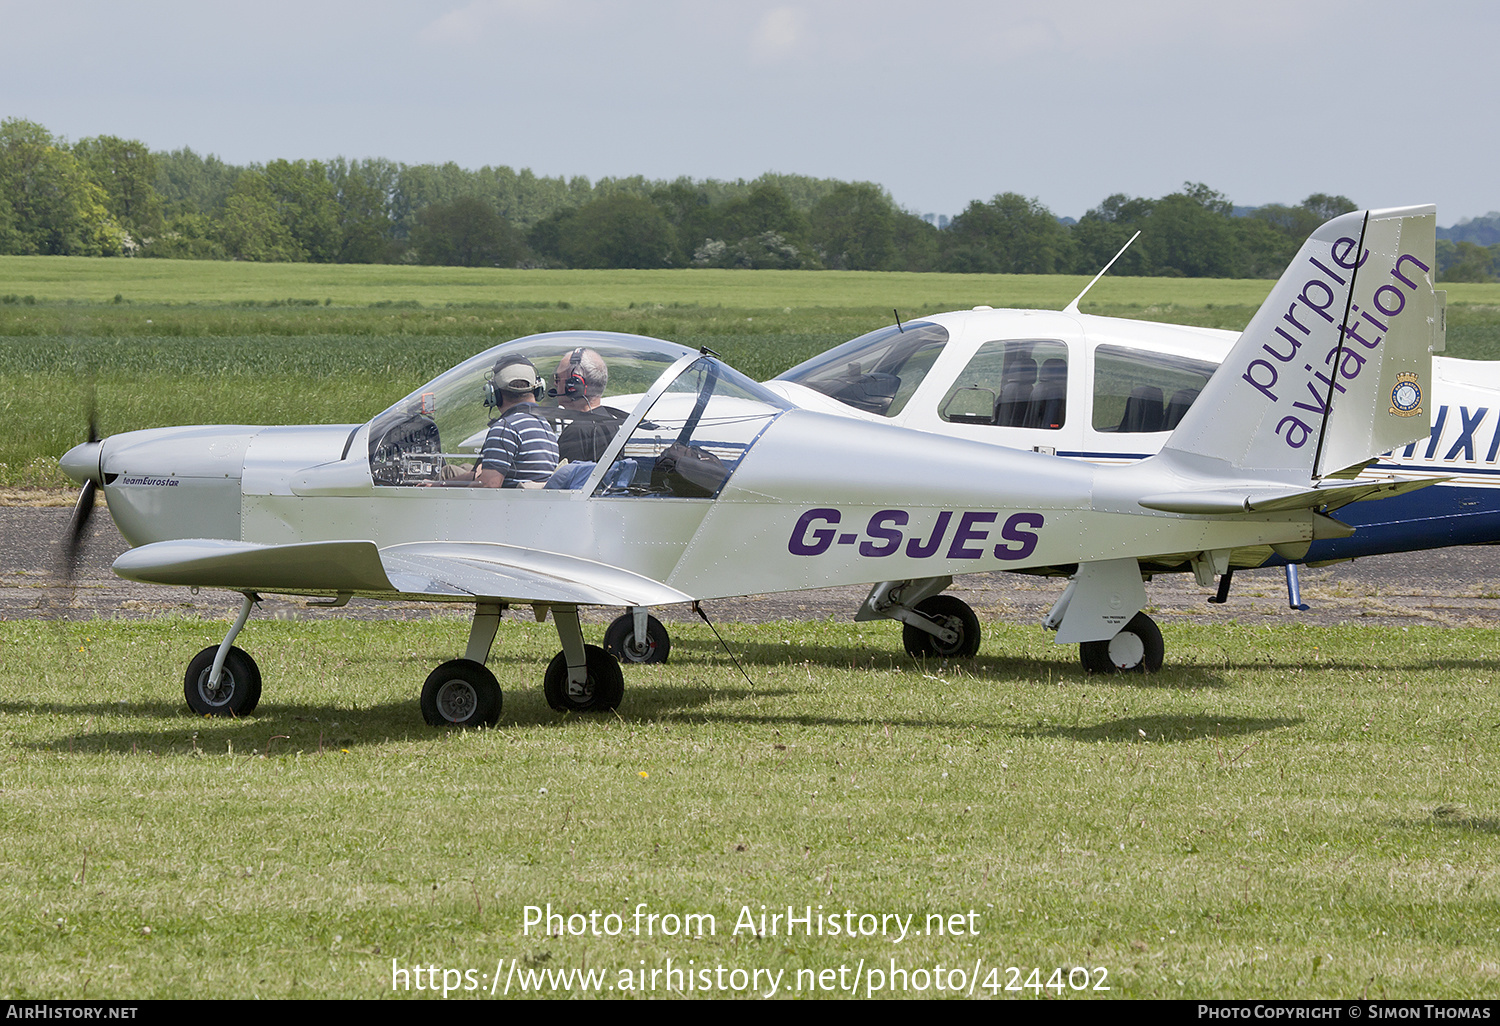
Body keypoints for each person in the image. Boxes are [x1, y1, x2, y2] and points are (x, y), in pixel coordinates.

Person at [468, 357, 559, 488]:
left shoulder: (506, 428)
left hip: (508, 507)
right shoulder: (545, 427)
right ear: (538, 391)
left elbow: (488, 486)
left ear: (493, 394)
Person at [550, 347, 630, 463]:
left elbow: (563, 479)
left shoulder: (576, 432)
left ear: (573, 386)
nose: (554, 384)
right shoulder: (609, 421)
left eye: (557, 379)